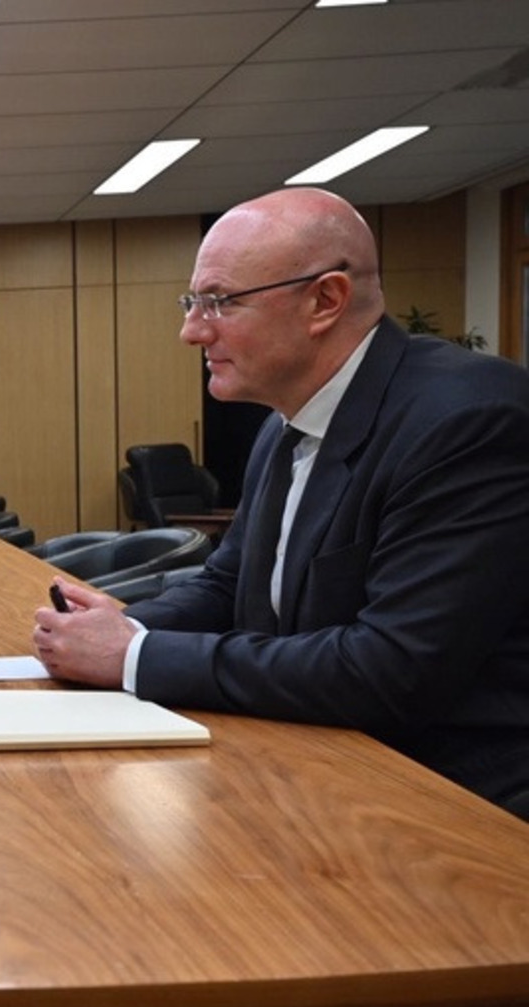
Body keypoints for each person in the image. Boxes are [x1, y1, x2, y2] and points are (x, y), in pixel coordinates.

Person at [34, 187, 529, 817]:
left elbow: (393, 669)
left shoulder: (467, 421)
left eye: (220, 302)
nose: (191, 330)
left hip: (454, 805)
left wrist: (135, 655)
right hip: (318, 764)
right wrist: (122, 626)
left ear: (325, 300)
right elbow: (230, 584)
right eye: (193, 303)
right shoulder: (283, 422)